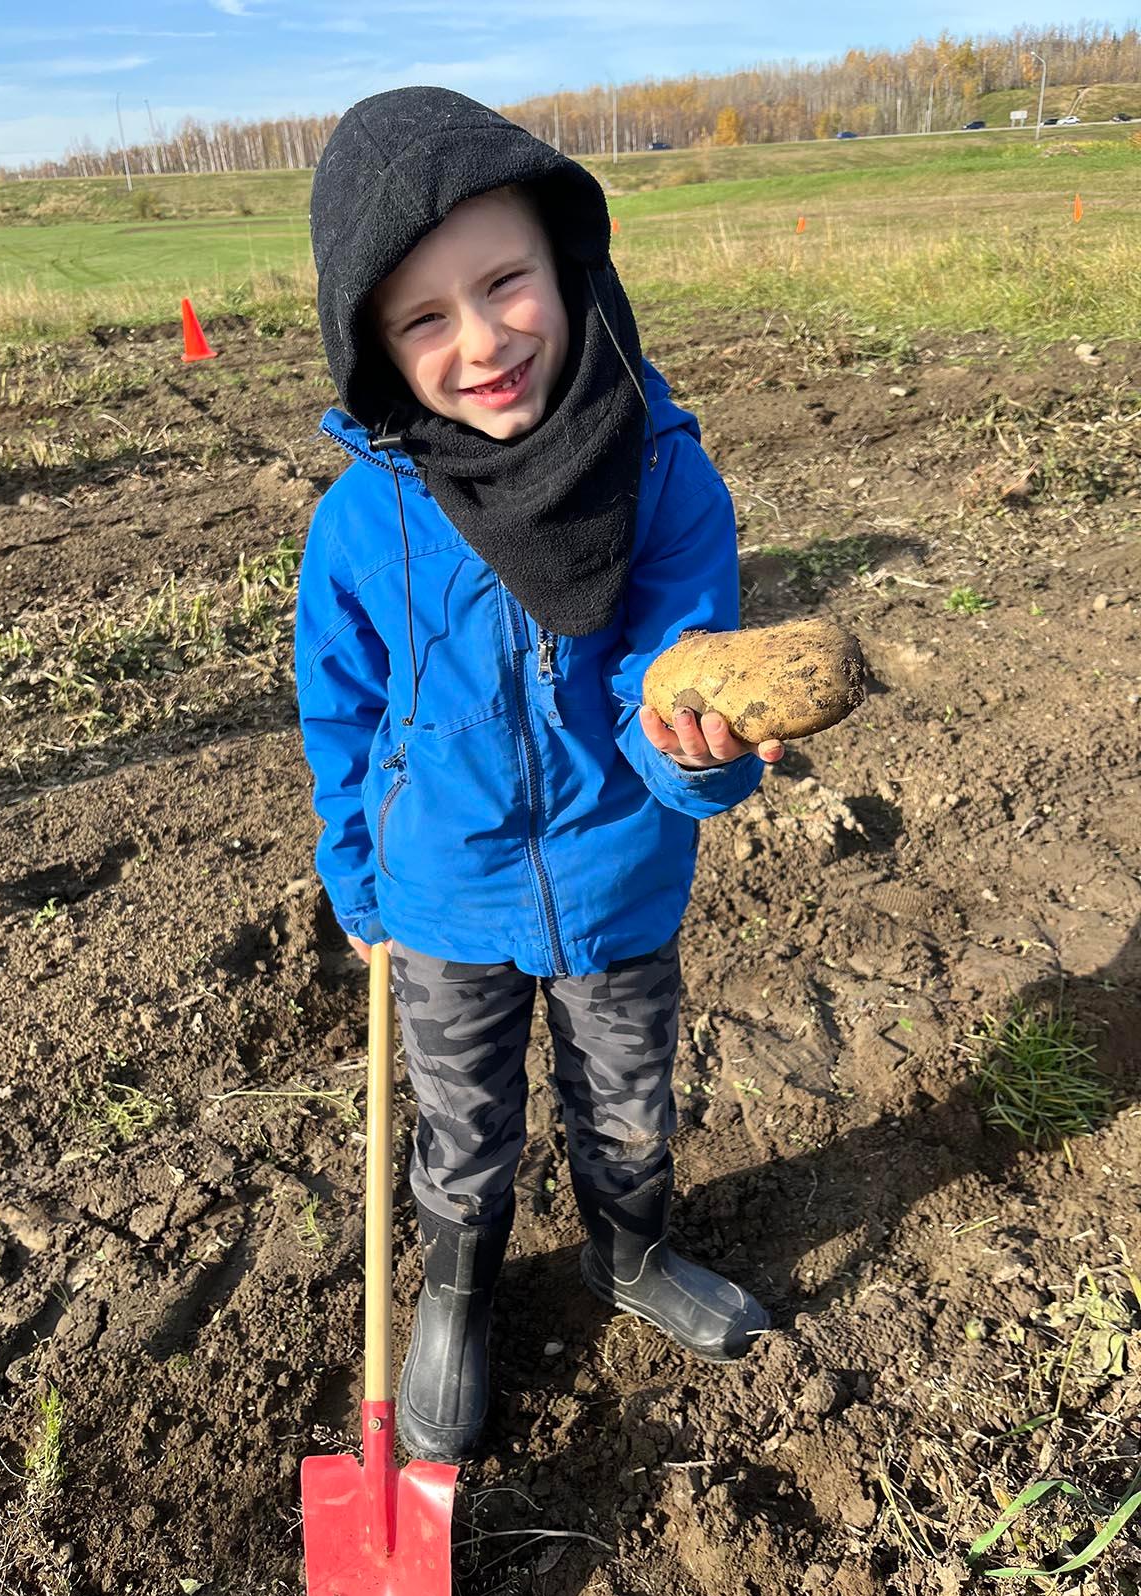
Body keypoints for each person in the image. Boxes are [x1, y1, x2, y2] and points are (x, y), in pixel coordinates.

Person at [297, 86, 784, 1466]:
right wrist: (355, 868)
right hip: (443, 893)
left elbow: (668, 673)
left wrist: (692, 751)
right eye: (424, 318)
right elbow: (339, 711)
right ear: (377, 350)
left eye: (504, 282)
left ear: (567, 267)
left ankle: (631, 1257)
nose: (482, 340)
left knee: (627, 1098)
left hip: (617, 875)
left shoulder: (665, 475)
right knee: (463, 1120)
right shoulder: (361, 521)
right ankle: (455, 1301)